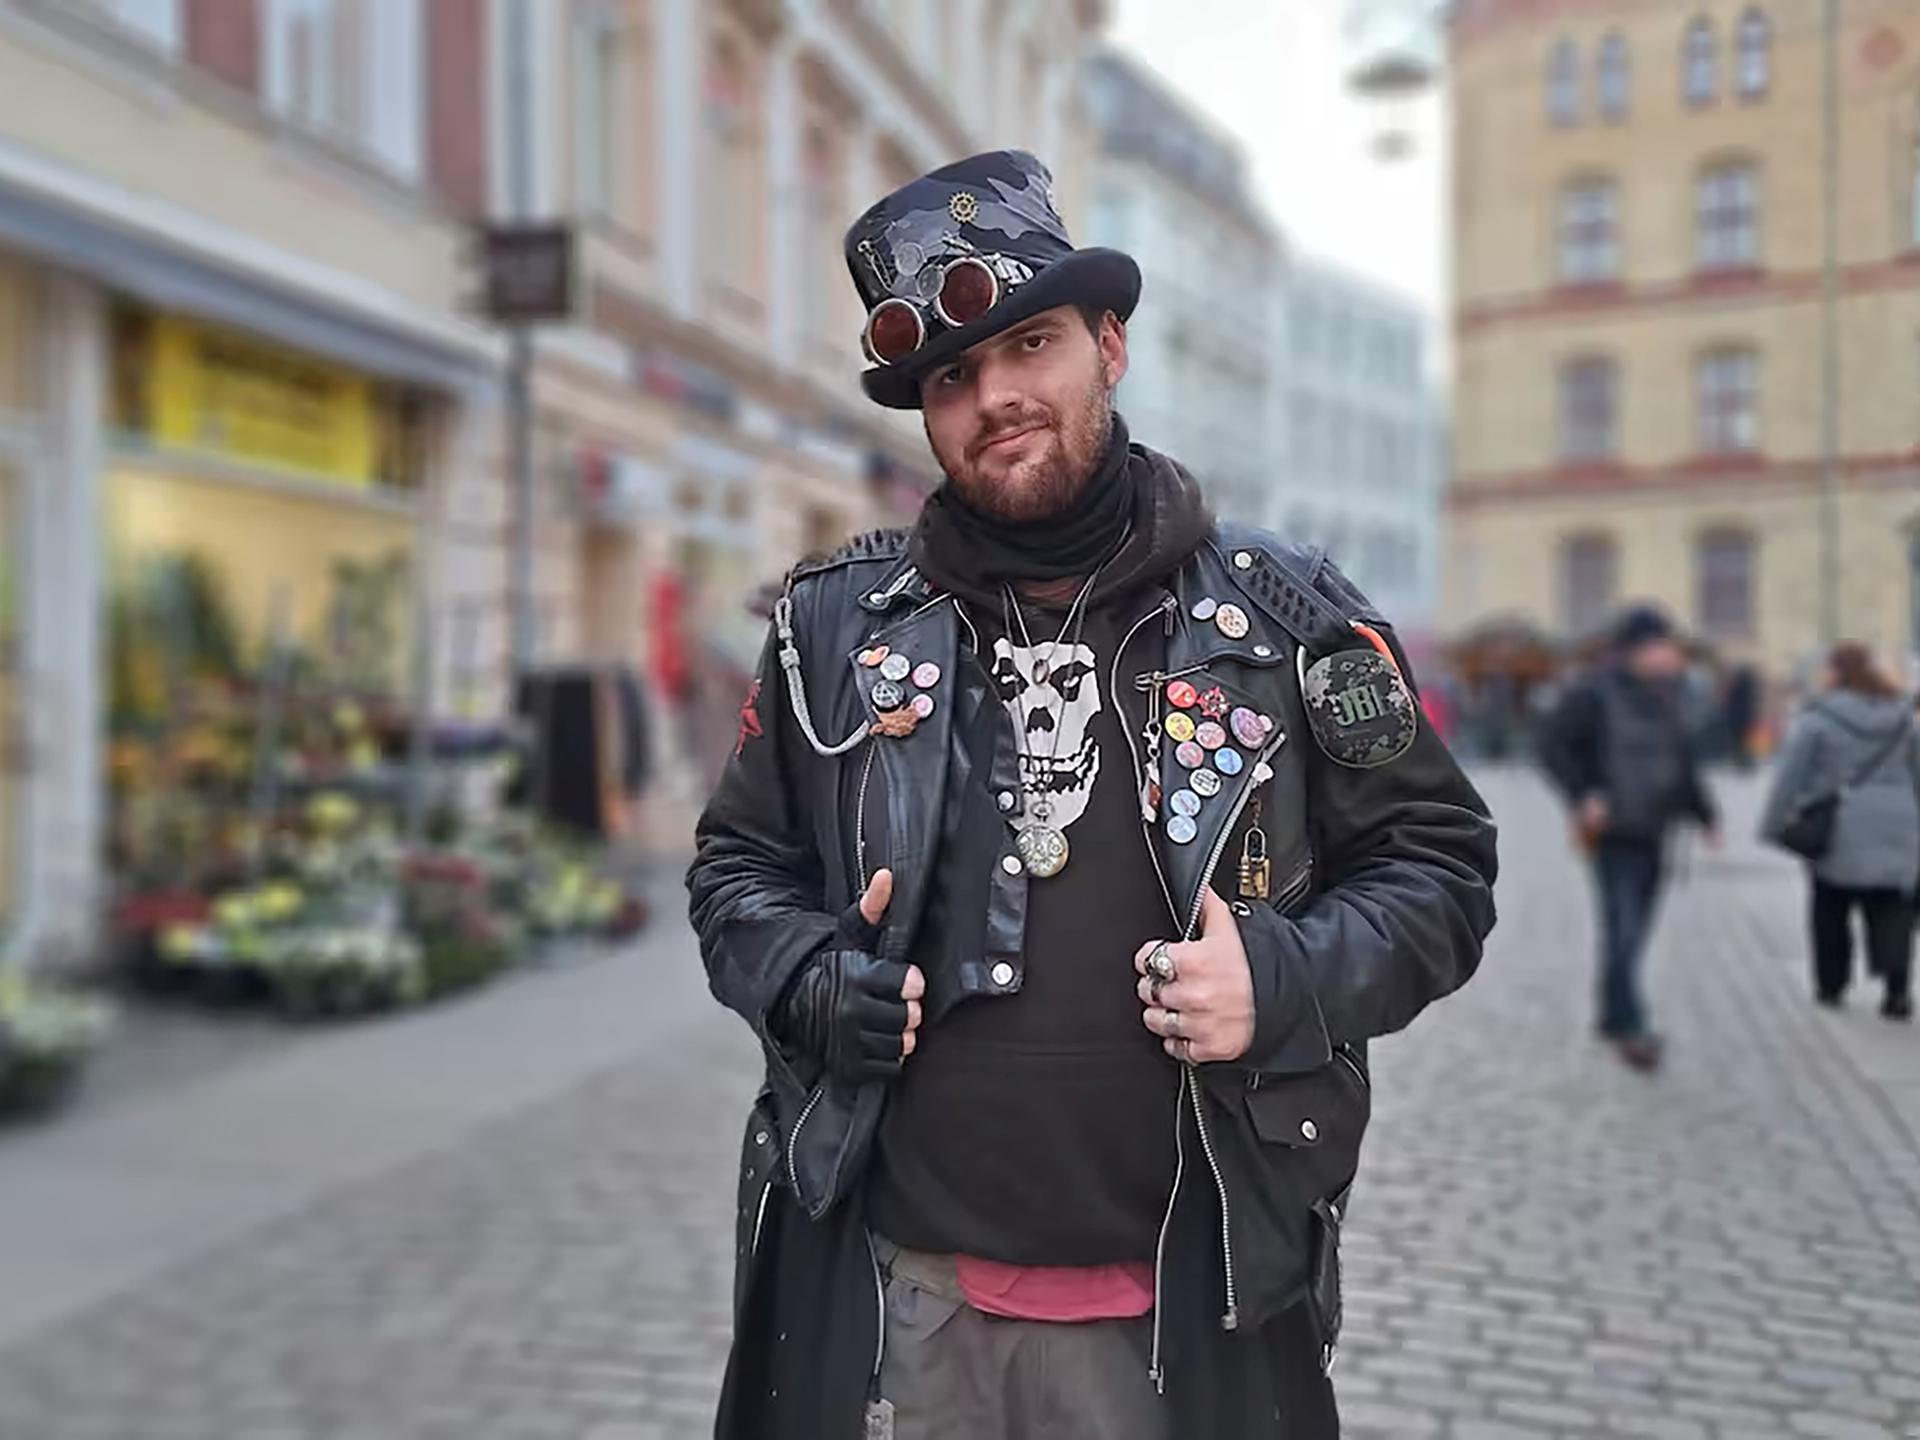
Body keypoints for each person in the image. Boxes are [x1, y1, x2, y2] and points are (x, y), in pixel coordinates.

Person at [684, 152, 1499, 1440]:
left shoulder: (1288, 618)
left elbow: (1440, 866)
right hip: (904, 1304)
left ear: (1109, 347)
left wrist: (1282, 977)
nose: (995, 397)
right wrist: (803, 980)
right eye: (951, 377)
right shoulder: (830, 631)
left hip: (1191, 1303)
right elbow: (734, 869)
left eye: (1032, 345)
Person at [1538, 605, 1718, 1070]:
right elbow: (1552, 746)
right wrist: (1584, 795)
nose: (1669, 654)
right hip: (1611, 831)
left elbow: (1682, 761)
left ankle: (1611, 1012)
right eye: (1661, 645)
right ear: (1637, 649)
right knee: (1624, 926)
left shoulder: (1668, 695)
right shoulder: (1592, 694)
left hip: (1656, 829)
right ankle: (1631, 1025)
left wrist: (1706, 815)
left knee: (1635, 929)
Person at [1759, 643, 1918, 1019]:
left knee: (1830, 904)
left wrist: (1772, 826)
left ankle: (1832, 984)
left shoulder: (1818, 720)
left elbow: (1790, 777)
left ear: (1836, 673)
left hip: (1838, 822)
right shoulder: (1902, 719)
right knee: (1894, 907)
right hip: (1899, 824)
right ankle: (1897, 991)